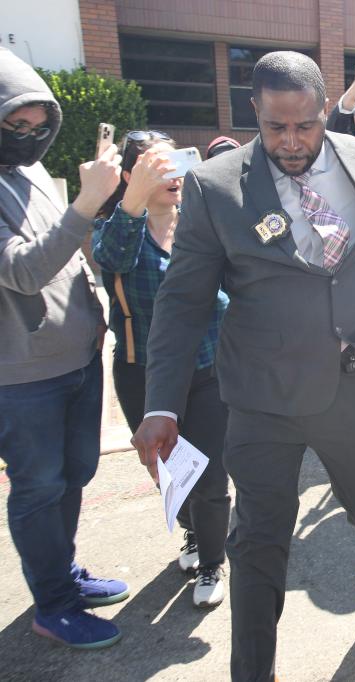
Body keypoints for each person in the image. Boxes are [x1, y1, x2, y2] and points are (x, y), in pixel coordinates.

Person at [130, 51, 355, 681]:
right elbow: (183, 302)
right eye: (275, 127)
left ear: (322, 109)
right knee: (256, 544)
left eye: (304, 126)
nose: (291, 141)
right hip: (261, 397)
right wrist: (161, 403)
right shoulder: (216, 186)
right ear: (255, 111)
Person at [0, 46, 128, 649]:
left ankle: (62, 574)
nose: (28, 138)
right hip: (23, 376)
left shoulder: (27, 175)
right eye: (13, 126)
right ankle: (52, 605)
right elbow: (24, 271)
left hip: (78, 358)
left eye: (36, 126)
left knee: (75, 474)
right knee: (39, 486)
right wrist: (83, 203)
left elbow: (69, 249)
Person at [91, 131, 231, 608]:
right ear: (132, 177)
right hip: (143, 375)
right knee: (170, 472)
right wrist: (130, 203)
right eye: (156, 166)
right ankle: (193, 535)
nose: (171, 175)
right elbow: (109, 260)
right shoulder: (117, 229)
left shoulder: (202, 224)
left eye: (175, 164)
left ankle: (213, 559)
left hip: (209, 370)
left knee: (211, 476)